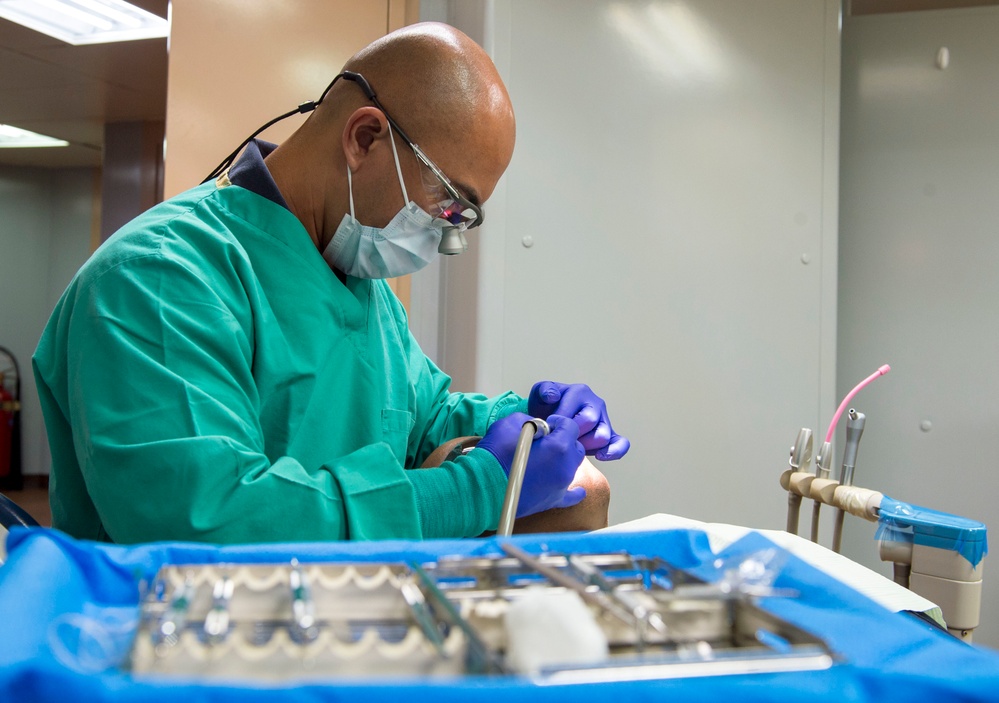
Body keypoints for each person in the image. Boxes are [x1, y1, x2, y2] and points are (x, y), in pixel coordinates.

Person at [32, 22, 629, 545]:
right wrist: (471, 488)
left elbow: (419, 420)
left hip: (341, 626)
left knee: (583, 491)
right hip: (182, 649)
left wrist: (527, 420)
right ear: (364, 137)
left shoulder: (357, 285)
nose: (451, 237)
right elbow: (211, 523)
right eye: (449, 203)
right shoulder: (158, 277)